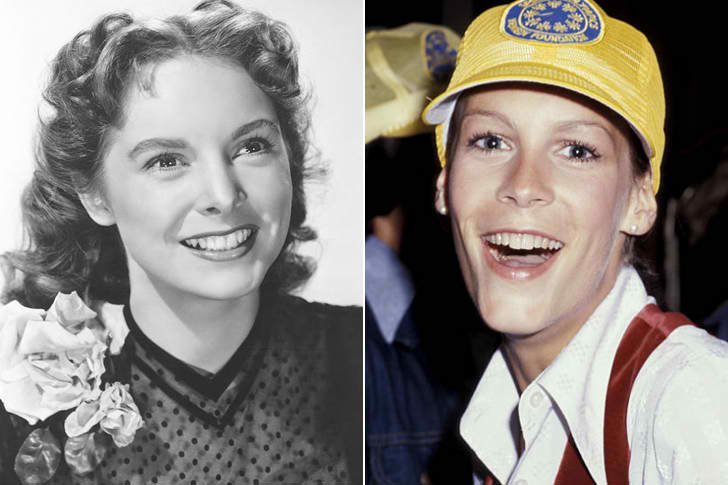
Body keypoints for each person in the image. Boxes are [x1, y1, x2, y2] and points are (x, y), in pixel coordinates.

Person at [0, 1, 361, 484]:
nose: (222, 195)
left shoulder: (363, 360)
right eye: (167, 160)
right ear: (95, 195)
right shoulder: (21, 409)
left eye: (251, 146)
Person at [422, 0, 728, 483]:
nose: (523, 185)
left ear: (639, 202)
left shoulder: (692, 402)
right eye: (491, 141)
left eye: (577, 150)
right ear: (444, 185)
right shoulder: (497, 422)